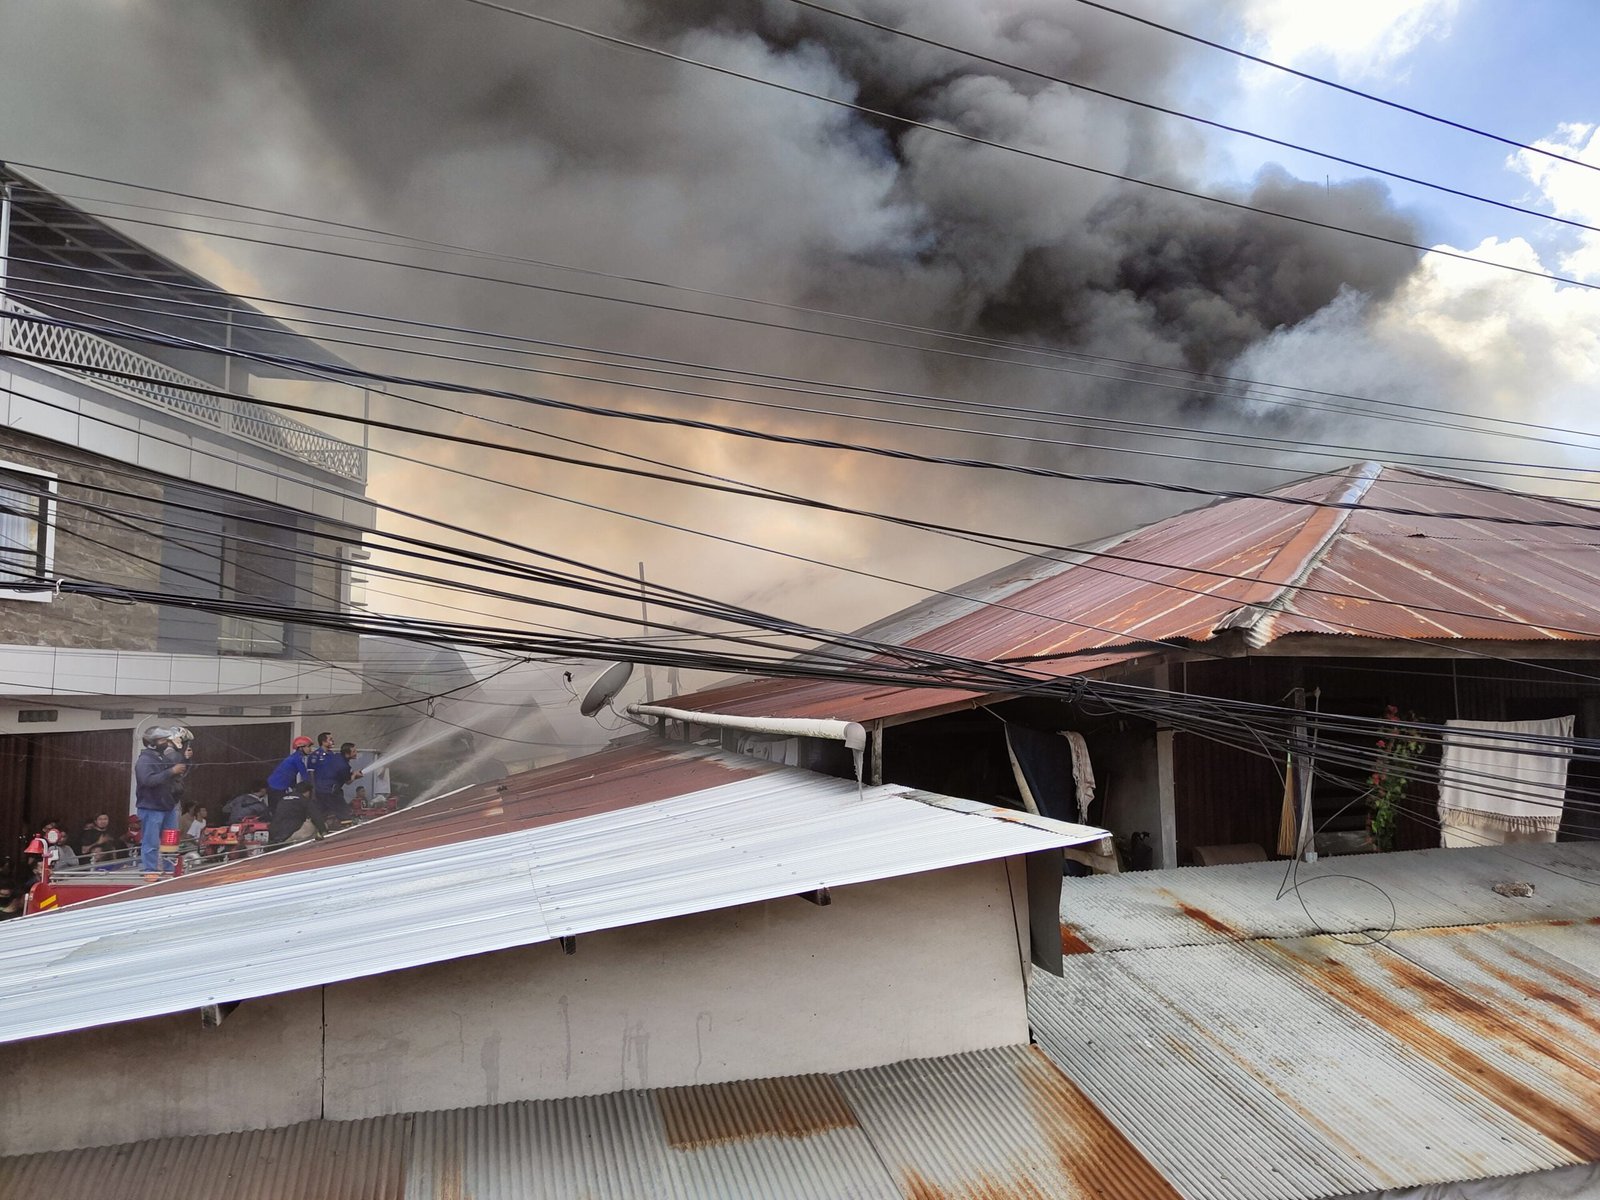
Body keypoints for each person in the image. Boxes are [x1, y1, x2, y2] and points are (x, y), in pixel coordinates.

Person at [134, 728, 188, 882]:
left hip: (167, 806)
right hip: (151, 807)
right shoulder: (145, 760)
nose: (166, 743)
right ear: (152, 743)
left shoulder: (162, 757)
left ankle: (169, 869)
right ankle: (150, 870)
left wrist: (185, 758)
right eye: (162, 740)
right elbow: (147, 780)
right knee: (151, 841)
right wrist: (171, 771)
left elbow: (178, 771)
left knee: (170, 841)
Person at [267, 736, 324, 845]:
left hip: (277, 785)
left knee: (278, 811)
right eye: (308, 747)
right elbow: (305, 775)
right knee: (278, 811)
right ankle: (278, 836)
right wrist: (312, 788)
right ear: (300, 748)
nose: (310, 749)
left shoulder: (295, 757)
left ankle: (278, 835)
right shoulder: (297, 759)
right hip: (277, 787)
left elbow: (292, 776)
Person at [313, 741, 363, 827]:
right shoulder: (344, 766)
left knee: (322, 812)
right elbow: (348, 781)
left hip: (320, 789)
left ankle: (319, 829)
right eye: (354, 751)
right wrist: (354, 775)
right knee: (343, 811)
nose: (356, 753)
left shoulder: (336, 757)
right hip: (331, 791)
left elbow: (338, 774)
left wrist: (352, 775)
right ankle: (346, 827)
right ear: (347, 754)